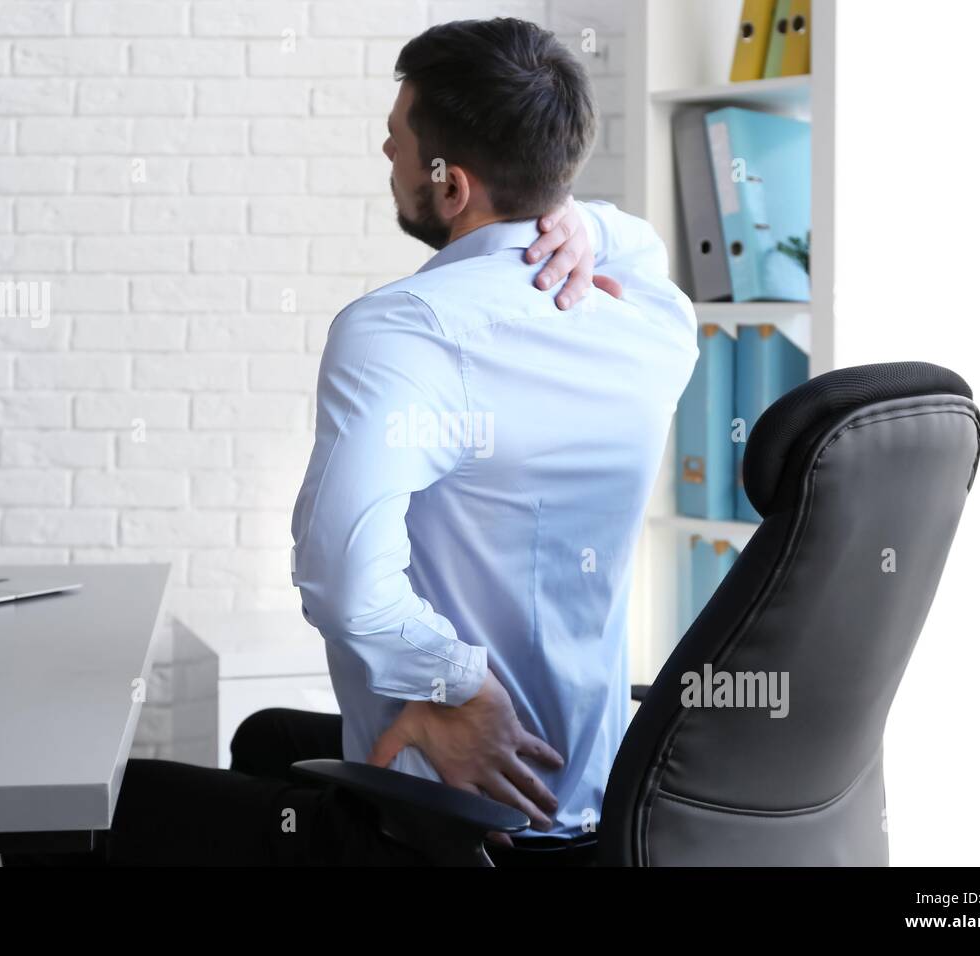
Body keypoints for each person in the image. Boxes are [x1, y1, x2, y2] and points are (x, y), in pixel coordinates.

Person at [101, 16, 698, 867]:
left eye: (396, 144)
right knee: (266, 737)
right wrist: (589, 226)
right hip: (593, 798)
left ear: (450, 185)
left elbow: (344, 582)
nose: (387, 160)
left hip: (442, 822)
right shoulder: (654, 327)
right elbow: (646, 249)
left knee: (94, 810)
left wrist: (461, 688)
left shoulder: (405, 331)